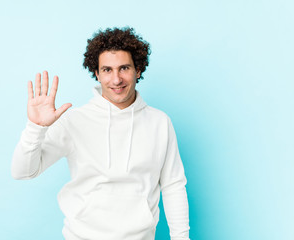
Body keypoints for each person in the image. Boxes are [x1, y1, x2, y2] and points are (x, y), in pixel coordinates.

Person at [12, 27, 190, 240]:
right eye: (107, 70)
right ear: (96, 73)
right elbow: (23, 172)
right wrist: (36, 127)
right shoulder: (74, 121)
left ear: (138, 70)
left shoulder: (160, 123)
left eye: (124, 68)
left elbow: (173, 186)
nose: (116, 80)